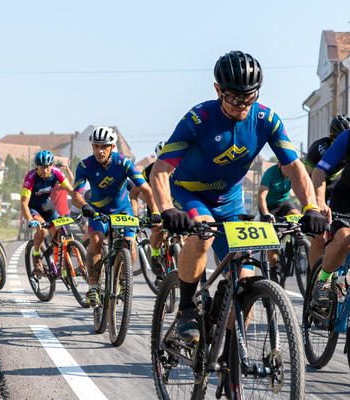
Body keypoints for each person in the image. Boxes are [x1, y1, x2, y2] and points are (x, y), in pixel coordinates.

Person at [149, 50, 327, 346]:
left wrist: (311, 207)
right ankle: (187, 308)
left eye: (249, 97)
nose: (242, 104)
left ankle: (231, 355)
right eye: (233, 97)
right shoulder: (198, 118)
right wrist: (167, 208)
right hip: (189, 193)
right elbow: (160, 169)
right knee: (204, 234)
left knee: (244, 281)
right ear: (218, 90)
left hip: (230, 201)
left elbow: (295, 167)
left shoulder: (266, 119)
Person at [70, 127, 153, 305]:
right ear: (92, 147)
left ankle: (124, 279)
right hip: (97, 210)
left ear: (112, 147)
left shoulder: (123, 162)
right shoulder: (85, 165)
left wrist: (155, 212)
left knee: (129, 244)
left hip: (123, 210)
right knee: (96, 240)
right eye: (96, 146)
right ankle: (93, 288)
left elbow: (145, 189)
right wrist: (85, 206)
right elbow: (76, 195)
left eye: (104, 147)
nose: (99, 151)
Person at [310, 117, 350, 310]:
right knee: (344, 240)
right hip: (345, 199)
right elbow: (319, 171)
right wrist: (318, 201)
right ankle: (323, 281)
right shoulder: (347, 137)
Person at [304, 114, 350, 267]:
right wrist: (316, 202)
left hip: (334, 184)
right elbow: (308, 176)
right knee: (319, 236)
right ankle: (317, 276)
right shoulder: (320, 148)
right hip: (316, 186)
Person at [21, 150, 75, 275]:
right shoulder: (31, 177)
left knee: (59, 234)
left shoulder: (57, 173)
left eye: (47, 167)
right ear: (37, 167)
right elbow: (23, 202)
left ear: (52, 165)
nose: (45, 170)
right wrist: (30, 220)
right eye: (42, 167)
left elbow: (71, 191)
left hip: (47, 206)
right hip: (33, 207)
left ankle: (56, 260)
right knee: (42, 229)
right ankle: (36, 255)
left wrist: (84, 205)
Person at [257, 162, 301, 278]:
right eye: (285, 167)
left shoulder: (294, 172)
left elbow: (302, 189)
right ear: (279, 164)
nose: (288, 170)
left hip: (284, 202)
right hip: (268, 206)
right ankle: (273, 270)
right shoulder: (270, 173)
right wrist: (266, 213)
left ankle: (296, 245)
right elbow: (261, 196)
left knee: (296, 216)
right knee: (272, 238)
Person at [130, 141, 167, 275]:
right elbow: (135, 192)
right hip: (156, 205)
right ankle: (155, 255)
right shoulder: (149, 170)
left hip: (175, 203)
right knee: (157, 231)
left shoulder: (181, 167)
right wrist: (151, 204)